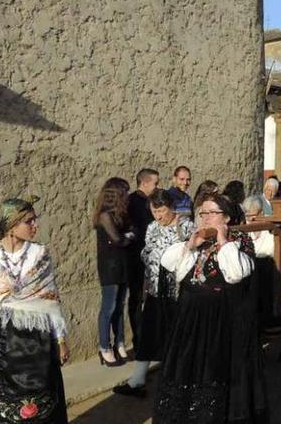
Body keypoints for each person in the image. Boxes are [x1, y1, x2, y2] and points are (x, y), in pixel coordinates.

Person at [154, 194, 265, 423]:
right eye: (202, 213)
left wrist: (223, 242)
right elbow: (171, 265)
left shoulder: (239, 241)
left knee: (213, 375)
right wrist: (189, 246)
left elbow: (235, 274)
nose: (205, 218)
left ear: (226, 217)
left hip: (220, 325)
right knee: (186, 373)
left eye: (212, 213)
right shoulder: (196, 241)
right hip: (190, 323)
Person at [0, 196, 69, 423]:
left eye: (34, 220)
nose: (34, 225)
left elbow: (50, 299)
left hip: (34, 344)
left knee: (39, 406)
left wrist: (60, 339)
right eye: (28, 221)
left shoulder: (40, 255)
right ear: (11, 226)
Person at [114, 189, 194, 397]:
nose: (159, 216)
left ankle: (177, 380)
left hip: (177, 291)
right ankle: (137, 379)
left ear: (171, 207)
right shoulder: (152, 227)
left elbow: (191, 255)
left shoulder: (185, 226)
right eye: (154, 211)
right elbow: (146, 250)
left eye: (162, 211)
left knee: (176, 335)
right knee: (148, 332)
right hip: (155, 289)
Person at [243, 195, 281, 360]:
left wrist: (273, 256)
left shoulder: (273, 230)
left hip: (272, 277)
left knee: (274, 301)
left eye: (255, 215)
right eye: (248, 215)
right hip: (252, 278)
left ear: (261, 212)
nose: (251, 219)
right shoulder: (243, 232)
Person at [93, 177, 133, 366]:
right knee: (108, 308)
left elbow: (133, 232)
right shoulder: (104, 215)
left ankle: (119, 343)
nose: (127, 195)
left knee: (119, 307)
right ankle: (104, 347)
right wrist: (127, 237)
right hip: (110, 266)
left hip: (123, 264)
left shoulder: (121, 214)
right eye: (124, 191)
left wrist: (128, 236)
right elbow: (119, 240)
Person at [125, 168, 159, 352]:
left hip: (150, 257)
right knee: (137, 299)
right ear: (144, 183)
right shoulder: (133, 202)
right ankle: (139, 340)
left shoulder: (149, 201)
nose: (156, 187)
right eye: (155, 183)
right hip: (137, 258)